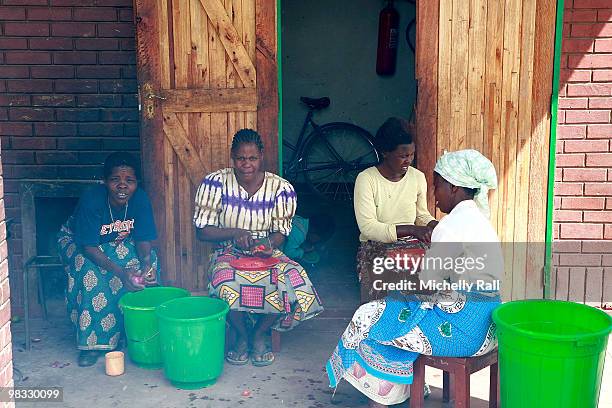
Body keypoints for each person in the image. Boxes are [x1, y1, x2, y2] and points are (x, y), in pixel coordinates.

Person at [326, 149, 502, 407]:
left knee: (371, 314)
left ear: (453, 187)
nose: (434, 193)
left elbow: (429, 285)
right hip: (488, 328)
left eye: (437, 185)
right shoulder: (480, 221)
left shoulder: (450, 226)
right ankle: (399, 387)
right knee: (393, 310)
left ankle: (381, 397)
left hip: (462, 332)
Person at [194, 129, 324, 367]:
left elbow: (281, 233)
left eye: (252, 158)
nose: (247, 164)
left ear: (261, 156)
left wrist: (268, 245)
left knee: (294, 281)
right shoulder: (215, 183)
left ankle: (259, 334)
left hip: (266, 253)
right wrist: (234, 233)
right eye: (241, 158)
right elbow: (202, 231)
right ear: (232, 156)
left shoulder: (280, 188)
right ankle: (242, 338)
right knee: (225, 283)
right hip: (227, 253)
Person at [57, 152, 158, 367]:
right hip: (80, 242)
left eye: (129, 181)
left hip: (118, 242)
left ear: (136, 183)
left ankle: (131, 333)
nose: (122, 186)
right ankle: (93, 343)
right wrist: (121, 273)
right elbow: (88, 247)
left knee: (147, 265)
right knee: (90, 272)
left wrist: (146, 264)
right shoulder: (92, 199)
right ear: (105, 182)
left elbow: (143, 239)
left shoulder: (140, 199)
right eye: (115, 180)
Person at [354, 117, 438, 302]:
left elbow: (421, 215)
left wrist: (435, 225)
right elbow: (368, 227)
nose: (408, 161)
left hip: (412, 242)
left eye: (411, 155)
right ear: (385, 153)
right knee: (385, 275)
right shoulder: (366, 179)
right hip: (376, 245)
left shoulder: (417, 177)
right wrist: (411, 229)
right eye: (402, 156)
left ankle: (421, 323)